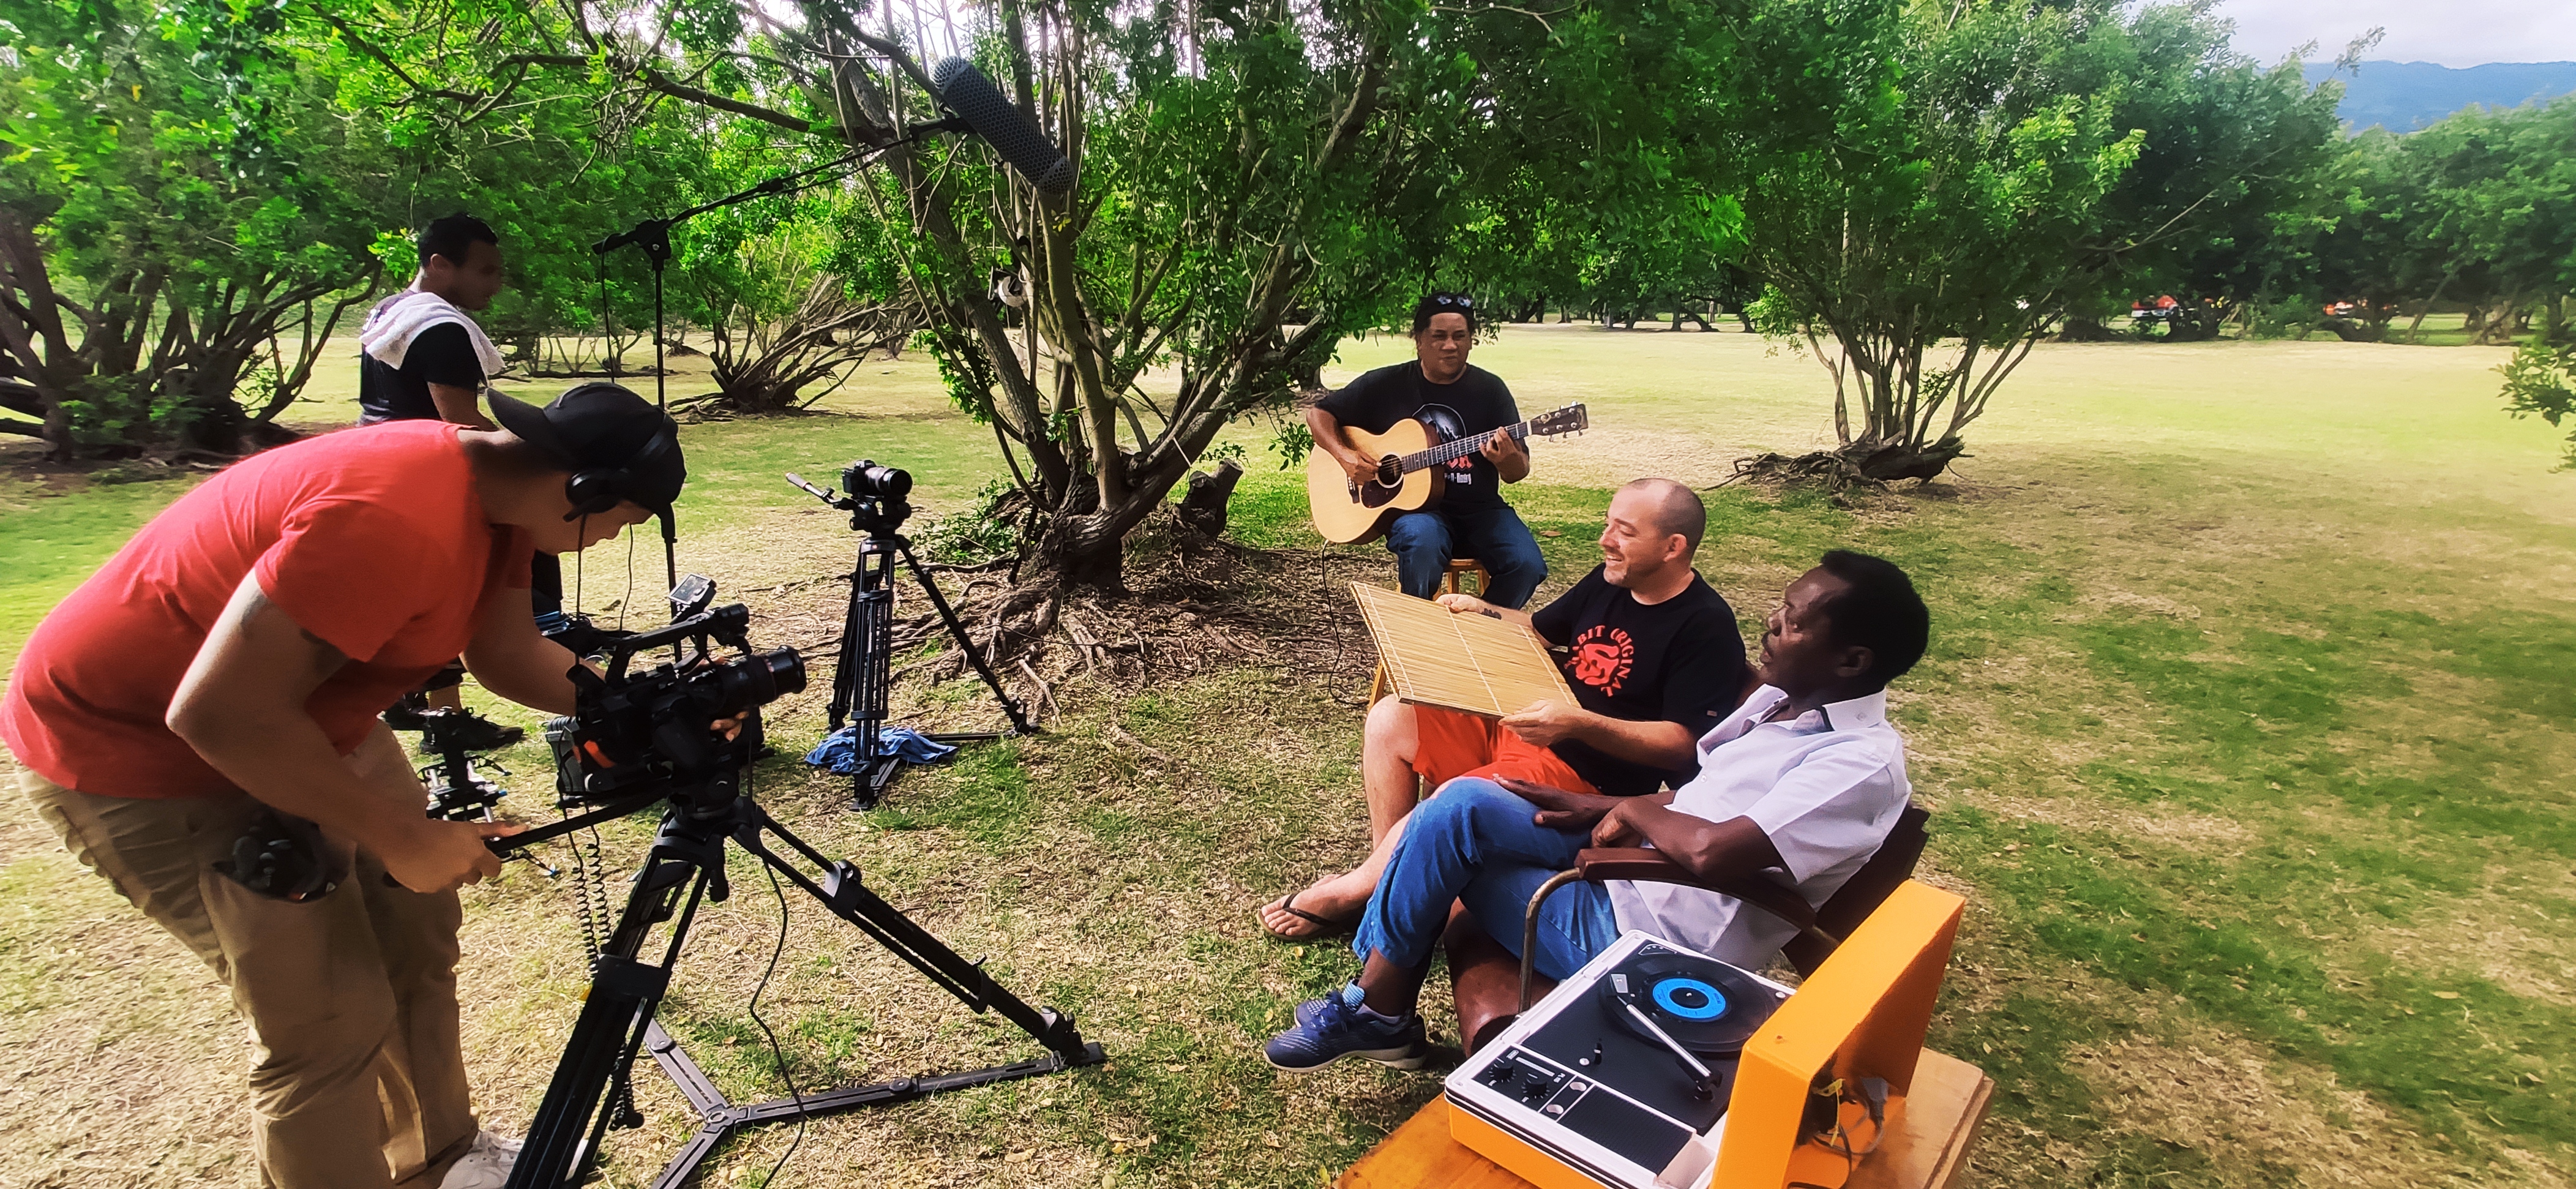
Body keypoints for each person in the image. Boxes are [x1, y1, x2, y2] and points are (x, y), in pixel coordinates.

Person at [1, 383, 687, 1188]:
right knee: (327, 1018)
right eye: (620, 523)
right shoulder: (391, 515)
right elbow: (218, 715)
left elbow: (505, 653)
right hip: (142, 751)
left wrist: (647, 705)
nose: (606, 540)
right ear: (584, 489)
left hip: (296, 719)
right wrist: (402, 836)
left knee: (415, 938)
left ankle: (442, 1161)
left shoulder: (499, 500)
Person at [1260, 550, 1928, 1071]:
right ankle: (1379, 1009)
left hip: (1645, 935)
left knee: (1445, 837)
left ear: (1851, 659)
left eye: (1792, 618)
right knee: (1462, 807)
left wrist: (1632, 807)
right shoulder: (1782, 705)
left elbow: (1712, 851)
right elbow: (1696, 802)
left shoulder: (1856, 764)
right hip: (1631, 866)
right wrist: (1598, 804)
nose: (1772, 622)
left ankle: (1376, 1008)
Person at [1257, 478, 1749, 940]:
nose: (1605, 540)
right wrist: (1487, 613)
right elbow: (1539, 629)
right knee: (1392, 720)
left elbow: (1684, 744)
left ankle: (1352, 891)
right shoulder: (1611, 581)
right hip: (1526, 724)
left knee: (1455, 797)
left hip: (1582, 780)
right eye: (1607, 524)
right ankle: (1385, 877)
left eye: (1624, 531)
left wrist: (1579, 723)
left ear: (1674, 546)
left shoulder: (1704, 626)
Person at [356, 212, 552, 749]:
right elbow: (460, 423)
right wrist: (530, 457)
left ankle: (410, 702)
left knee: (410, 597)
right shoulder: (439, 329)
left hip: (379, 461)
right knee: (441, 596)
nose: (495, 284)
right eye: (485, 271)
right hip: (424, 476)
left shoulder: (392, 313)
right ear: (440, 265)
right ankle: (445, 722)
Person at [1307, 291, 1548, 609]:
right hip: (1418, 513)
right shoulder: (1387, 384)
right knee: (1422, 541)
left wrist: (1508, 460)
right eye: (1439, 337)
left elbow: (1518, 473)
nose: (1450, 345)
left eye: (1460, 336)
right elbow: (1318, 415)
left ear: (1471, 341)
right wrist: (1345, 455)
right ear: (1418, 340)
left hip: (1481, 510)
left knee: (1527, 565)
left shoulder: (1490, 391)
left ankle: (1479, 630)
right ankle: (1417, 634)